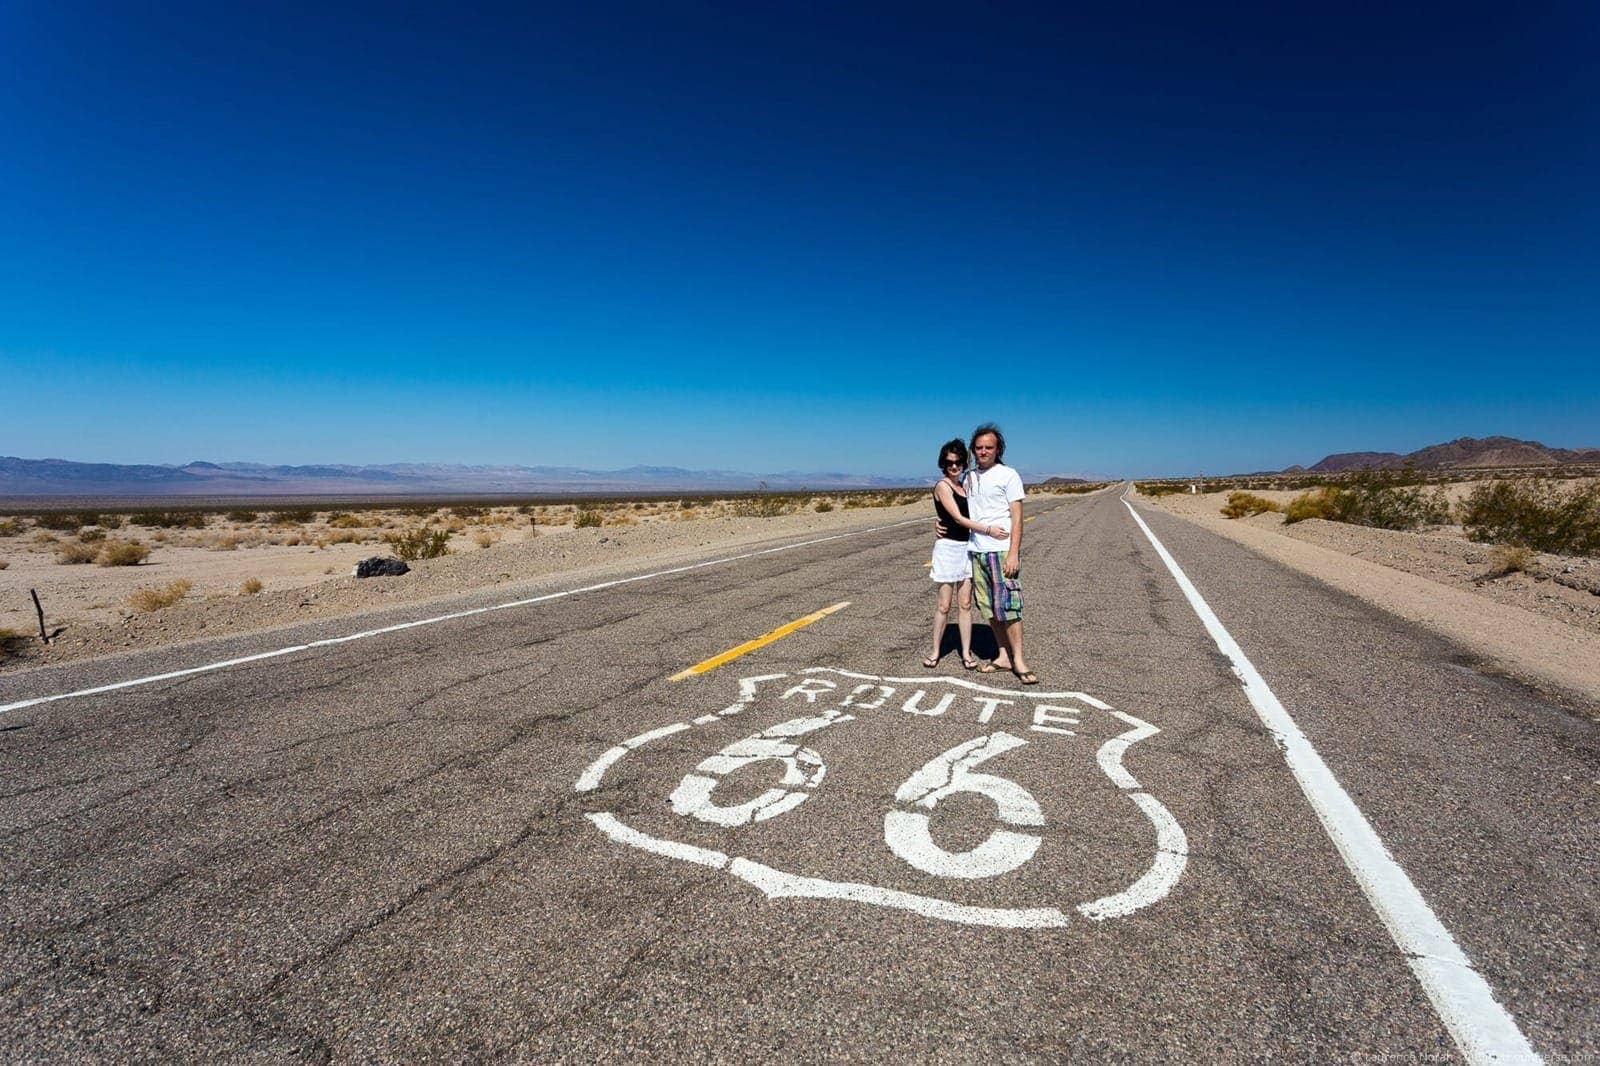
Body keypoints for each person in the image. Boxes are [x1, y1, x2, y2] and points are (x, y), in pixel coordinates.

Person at [924, 438, 1010, 670]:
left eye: (959, 462)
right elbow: (958, 518)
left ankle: (966, 653)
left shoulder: (965, 484)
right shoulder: (943, 486)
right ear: (943, 463)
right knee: (943, 605)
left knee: (965, 604)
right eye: (950, 462)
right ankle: (935, 652)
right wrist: (989, 530)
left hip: (967, 548)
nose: (954, 466)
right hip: (948, 549)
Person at [963, 423, 1035, 683]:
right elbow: (959, 510)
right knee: (990, 608)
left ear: (997, 449)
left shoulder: (1008, 475)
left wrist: (1014, 552)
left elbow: (1017, 518)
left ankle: (1019, 659)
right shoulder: (968, 477)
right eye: (979, 447)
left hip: (1001, 551)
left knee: (1010, 607)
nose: (983, 452)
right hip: (977, 552)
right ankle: (1003, 655)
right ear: (973, 450)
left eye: (988, 447)